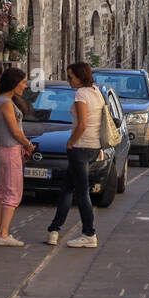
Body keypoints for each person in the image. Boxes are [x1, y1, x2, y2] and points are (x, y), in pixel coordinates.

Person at [46, 62, 103, 248]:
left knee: (81, 191)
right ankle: (54, 230)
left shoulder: (81, 94)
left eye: (71, 77)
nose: (69, 80)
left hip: (81, 147)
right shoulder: (96, 92)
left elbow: (82, 124)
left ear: (80, 77)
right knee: (67, 189)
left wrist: (70, 142)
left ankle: (89, 233)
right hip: (94, 146)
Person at [0, 67, 36, 247]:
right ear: (14, 83)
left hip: (8, 149)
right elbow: (15, 131)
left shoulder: (5, 100)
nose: (24, 86)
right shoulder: (6, 103)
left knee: (2, 188)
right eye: (22, 82)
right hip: (10, 150)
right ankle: (3, 233)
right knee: (13, 192)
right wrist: (28, 145)